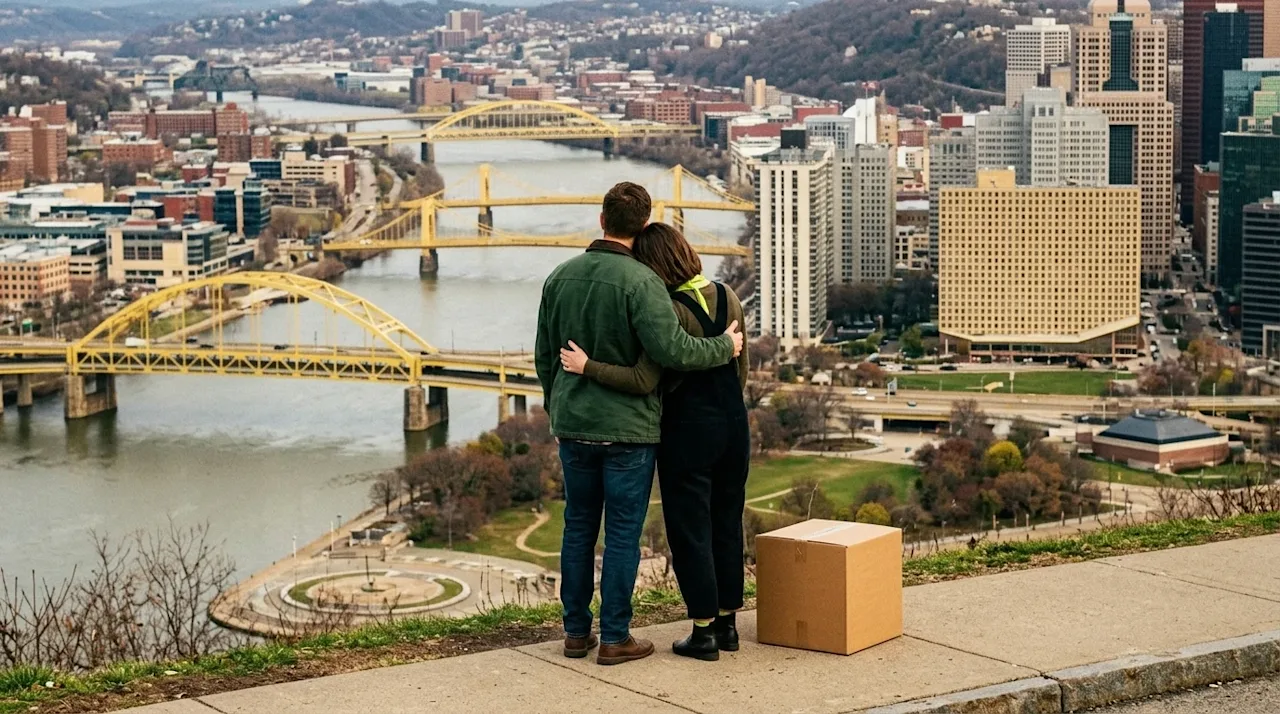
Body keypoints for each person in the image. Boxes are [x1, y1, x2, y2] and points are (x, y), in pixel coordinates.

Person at [534, 182, 743, 666]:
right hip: (629, 431)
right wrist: (724, 347)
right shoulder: (644, 283)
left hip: (574, 426)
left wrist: (557, 406)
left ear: (601, 219)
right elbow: (673, 352)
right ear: (644, 225)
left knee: (577, 527)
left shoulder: (558, 277)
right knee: (622, 535)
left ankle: (574, 633)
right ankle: (614, 637)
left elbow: (544, 357)